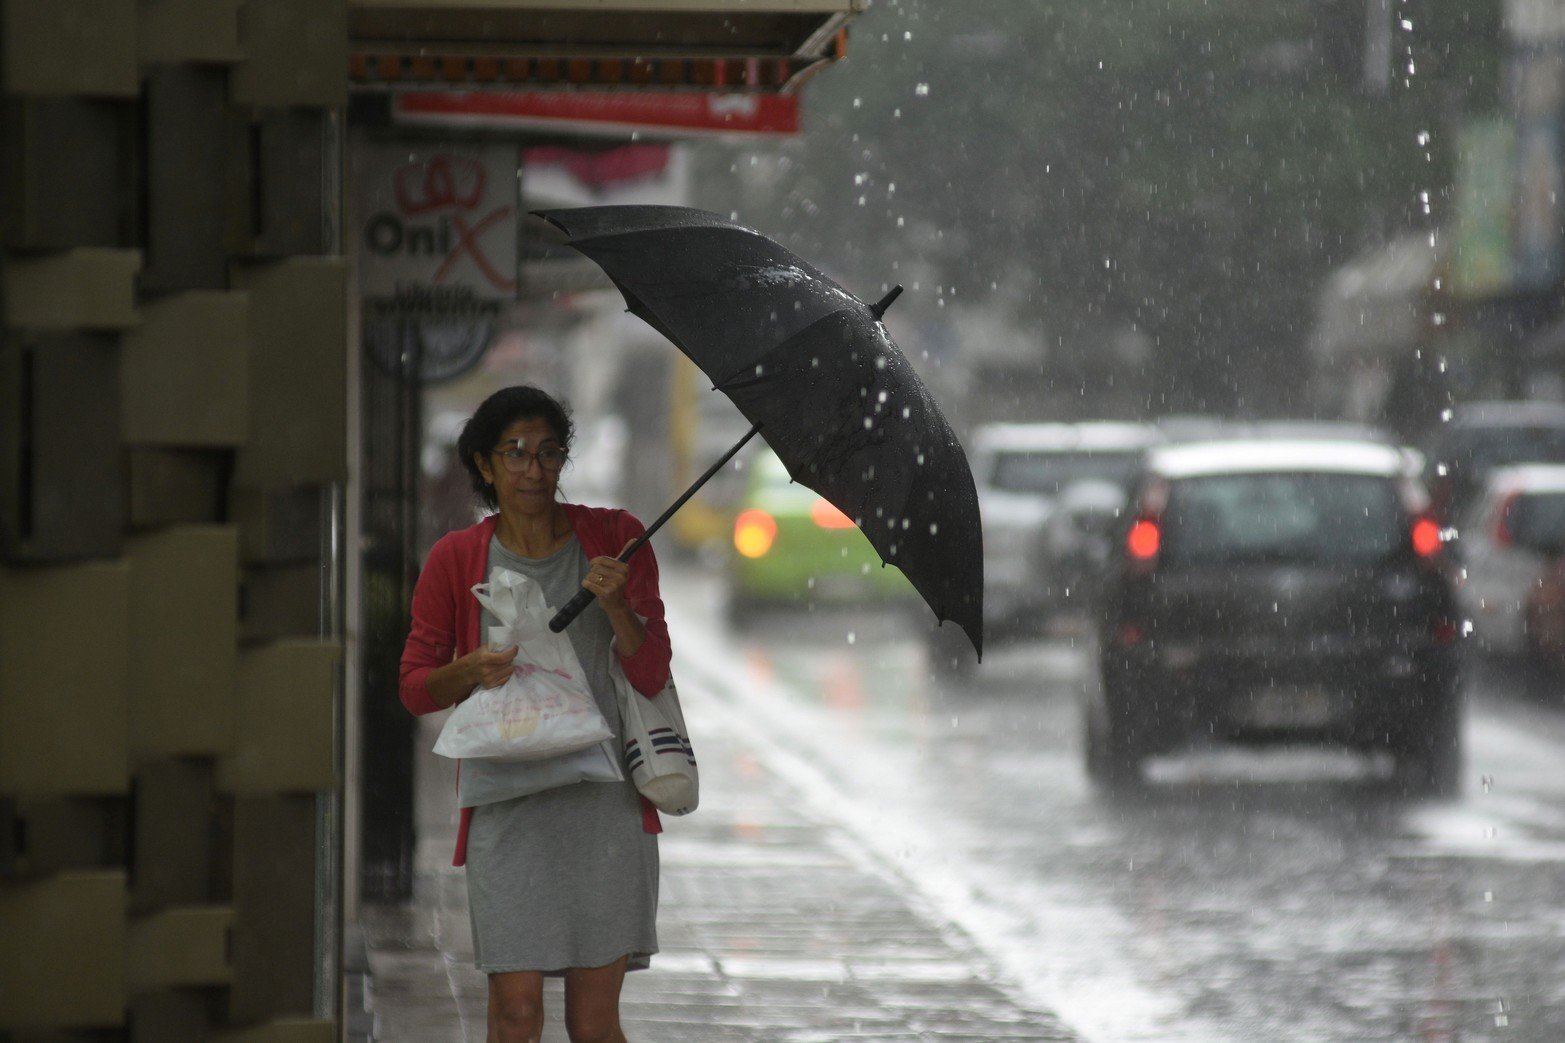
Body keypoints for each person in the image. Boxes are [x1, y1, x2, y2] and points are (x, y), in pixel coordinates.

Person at [399, 385, 671, 1043]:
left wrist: (615, 606)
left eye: (549, 452)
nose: (534, 469)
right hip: (508, 806)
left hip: (601, 805)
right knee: (514, 1013)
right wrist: (471, 668)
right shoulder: (457, 559)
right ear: (485, 465)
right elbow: (415, 688)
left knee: (594, 1021)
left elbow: (651, 669)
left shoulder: (616, 539)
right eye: (515, 453)